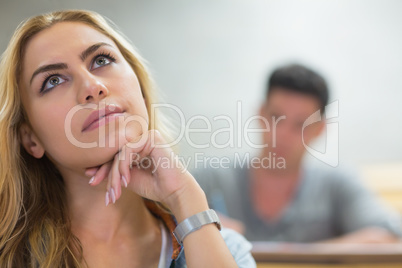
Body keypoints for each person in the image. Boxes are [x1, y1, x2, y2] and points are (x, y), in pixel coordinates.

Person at [0, 10, 256, 267]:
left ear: (141, 93)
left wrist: (184, 196)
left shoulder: (225, 250)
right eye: (53, 80)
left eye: (100, 60)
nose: (92, 87)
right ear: (30, 139)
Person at [193, 64, 402, 243]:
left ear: (320, 129)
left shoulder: (335, 184)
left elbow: (388, 233)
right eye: (276, 118)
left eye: (301, 124)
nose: (283, 135)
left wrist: (300, 256)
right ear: (260, 114)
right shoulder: (211, 179)